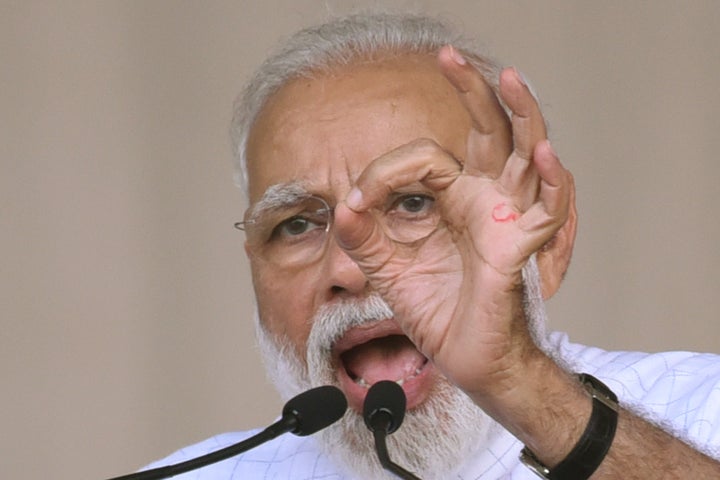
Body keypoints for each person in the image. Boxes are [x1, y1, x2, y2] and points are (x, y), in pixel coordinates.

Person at [148, 12, 720, 479]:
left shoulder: (700, 410)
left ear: (547, 244)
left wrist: (519, 385)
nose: (349, 267)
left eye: (413, 203)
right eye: (296, 224)